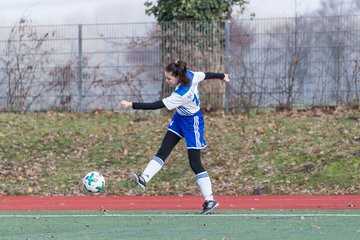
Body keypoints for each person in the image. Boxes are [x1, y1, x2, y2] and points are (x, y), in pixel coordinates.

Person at [120, 60, 229, 215]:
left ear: (178, 77)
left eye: (169, 79)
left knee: (195, 163)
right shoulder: (191, 74)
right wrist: (221, 75)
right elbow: (206, 75)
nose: (167, 81)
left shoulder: (180, 95)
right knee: (163, 151)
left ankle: (210, 200)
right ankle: (144, 178)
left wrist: (131, 105)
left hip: (193, 123)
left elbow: (155, 105)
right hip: (179, 119)